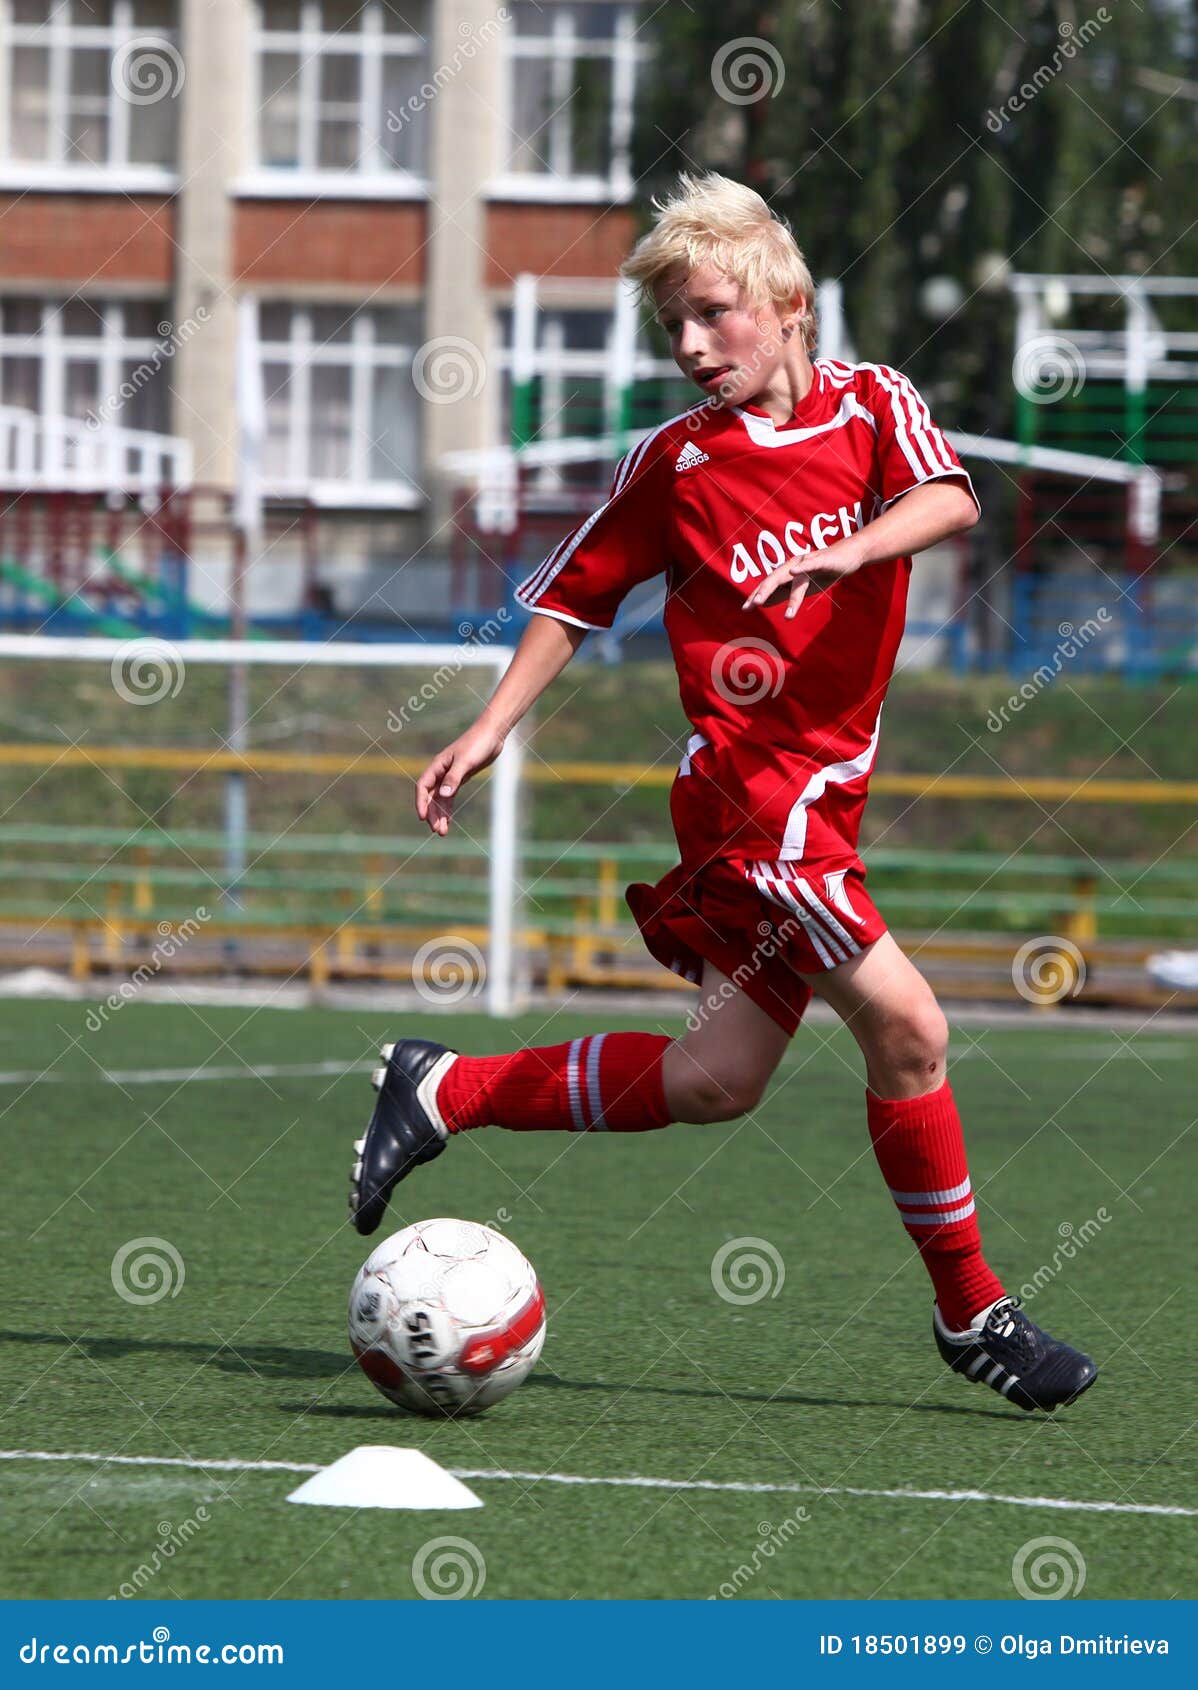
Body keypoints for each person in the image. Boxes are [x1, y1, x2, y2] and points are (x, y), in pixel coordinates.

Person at [348, 173, 1096, 1414]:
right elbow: (573, 597)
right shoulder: (678, 462)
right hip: (757, 806)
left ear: (787, 302)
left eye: (711, 313)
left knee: (716, 1079)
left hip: (818, 799)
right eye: (674, 327)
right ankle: (972, 1311)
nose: (692, 346)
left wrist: (850, 548)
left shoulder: (873, 406)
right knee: (910, 1030)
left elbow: (951, 496)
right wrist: (485, 727)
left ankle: (443, 1088)